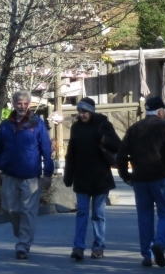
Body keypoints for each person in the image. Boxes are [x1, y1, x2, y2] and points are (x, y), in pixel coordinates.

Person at [116, 95, 165, 268]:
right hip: (162, 176)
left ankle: (147, 255)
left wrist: (126, 176)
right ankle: (159, 244)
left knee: (145, 217)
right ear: (160, 111)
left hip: (139, 179)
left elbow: (121, 155)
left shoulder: (133, 129)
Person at [0, 91, 54, 260]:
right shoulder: (6, 125)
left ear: (29, 105)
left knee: (28, 211)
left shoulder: (37, 123)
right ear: (13, 104)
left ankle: (23, 245)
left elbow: (46, 150)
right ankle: (22, 234)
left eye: (25, 104)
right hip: (10, 175)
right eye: (19, 103)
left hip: (31, 176)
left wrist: (48, 174)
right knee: (9, 209)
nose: (22, 107)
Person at [63, 97, 122, 261]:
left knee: (98, 214)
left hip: (100, 177)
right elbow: (71, 153)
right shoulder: (76, 128)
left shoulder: (103, 124)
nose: (81, 115)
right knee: (81, 212)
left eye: (85, 112)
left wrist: (103, 139)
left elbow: (118, 145)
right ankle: (78, 247)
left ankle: (98, 246)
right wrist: (68, 176)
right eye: (80, 112)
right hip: (81, 177)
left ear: (92, 111)